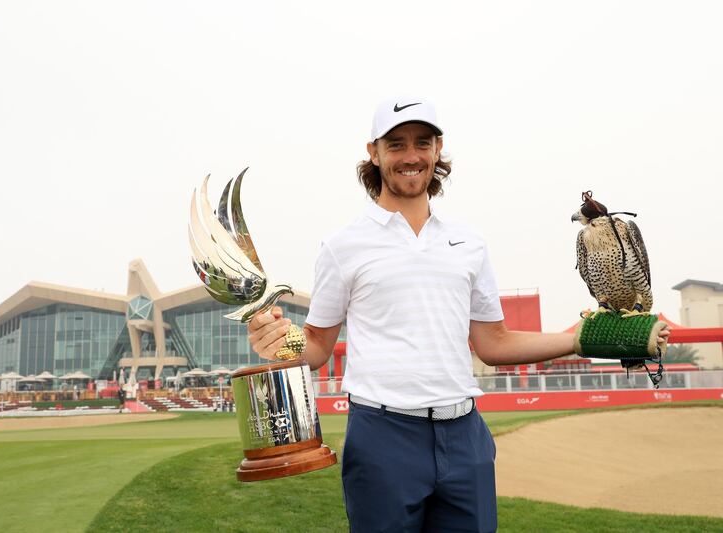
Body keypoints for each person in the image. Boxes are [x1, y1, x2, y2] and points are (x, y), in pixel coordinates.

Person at [247, 98, 668, 532]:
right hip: (382, 437)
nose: (411, 156)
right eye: (396, 145)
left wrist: (580, 337)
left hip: (465, 436)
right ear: (374, 152)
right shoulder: (342, 245)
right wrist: (283, 344)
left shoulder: (468, 242)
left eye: (422, 143)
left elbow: (494, 343)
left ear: (437, 149)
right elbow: (316, 345)